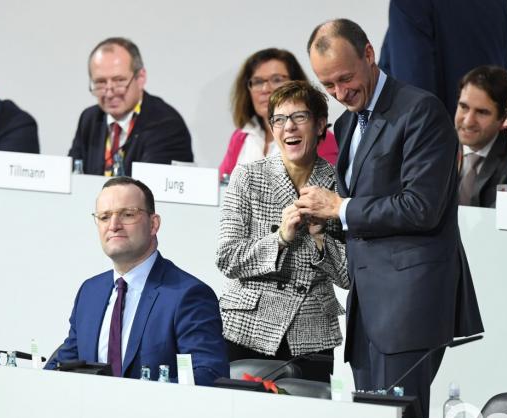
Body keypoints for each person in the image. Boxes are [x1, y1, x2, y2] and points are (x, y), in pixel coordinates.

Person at [299, 19, 483, 418]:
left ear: (369, 54)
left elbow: (421, 206)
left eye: (346, 78)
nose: (340, 93)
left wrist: (340, 208)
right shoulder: (348, 123)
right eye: (328, 86)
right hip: (368, 303)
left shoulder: (420, 110)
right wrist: (322, 220)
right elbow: (361, 209)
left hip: (408, 305)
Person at [216, 80, 349, 383]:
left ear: (319, 125)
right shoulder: (247, 177)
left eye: (299, 117)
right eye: (279, 119)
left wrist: (319, 240)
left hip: (311, 334)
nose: (289, 126)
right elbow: (226, 258)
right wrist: (279, 240)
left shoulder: (339, 187)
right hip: (247, 327)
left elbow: (349, 275)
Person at [46, 176, 229, 386]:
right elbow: (64, 365)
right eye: (104, 217)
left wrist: (140, 401)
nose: (113, 225)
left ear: (153, 224)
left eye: (127, 214)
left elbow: (209, 374)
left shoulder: (188, 295)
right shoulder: (90, 292)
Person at [68, 37, 193, 176]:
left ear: (140, 78)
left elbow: (149, 191)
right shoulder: (89, 119)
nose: (109, 93)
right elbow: (72, 176)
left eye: (119, 81)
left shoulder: (166, 125)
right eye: (100, 82)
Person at [219, 48, 338, 182]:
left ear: (296, 85)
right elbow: (222, 187)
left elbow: (322, 192)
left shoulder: (319, 138)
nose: (265, 89)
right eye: (258, 82)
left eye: (276, 80)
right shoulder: (240, 137)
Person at [378, 0, 507, 115]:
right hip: (486, 136)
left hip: (433, 137)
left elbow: (415, 100)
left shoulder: (410, 5)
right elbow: (499, 77)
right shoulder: (499, 4)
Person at [456, 65, 507, 208]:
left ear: (503, 118)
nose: (468, 121)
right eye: (463, 107)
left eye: (482, 112)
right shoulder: (434, 147)